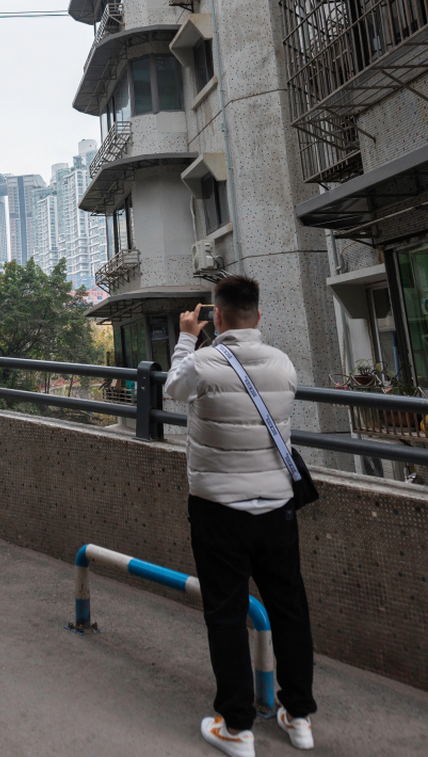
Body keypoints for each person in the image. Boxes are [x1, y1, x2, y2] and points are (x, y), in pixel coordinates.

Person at [165, 274, 316, 756]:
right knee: (290, 610)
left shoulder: (204, 362)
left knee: (226, 615)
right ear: (260, 315)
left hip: (218, 510)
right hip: (276, 508)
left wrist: (188, 336)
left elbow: (174, 389)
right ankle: (299, 718)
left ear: (219, 315)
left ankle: (237, 728)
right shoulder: (284, 363)